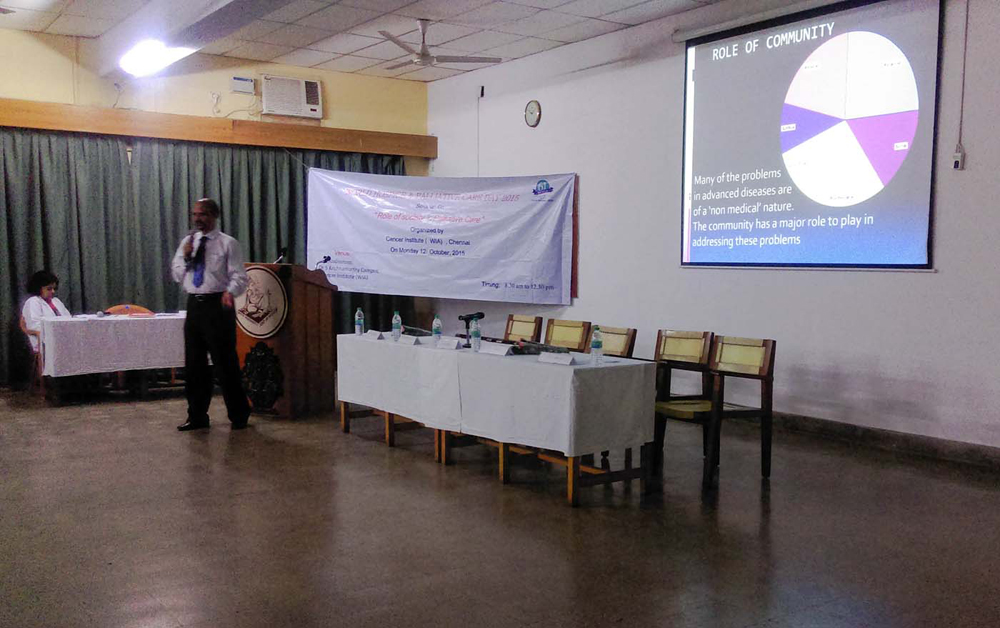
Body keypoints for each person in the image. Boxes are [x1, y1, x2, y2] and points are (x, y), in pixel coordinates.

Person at [171, 198, 251, 431]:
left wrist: (230, 292)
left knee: (225, 363)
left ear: (214, 216)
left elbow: (239, 276)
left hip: (218, 305)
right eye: (195, 214)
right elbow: (176, 274)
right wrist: (187, 257)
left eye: (203, 214)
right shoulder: (188, 242)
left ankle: (239, 415)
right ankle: (197, 416)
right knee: (194, 364)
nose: (198, 219)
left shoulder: (228, 243)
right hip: (195, 305)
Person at [21, 270, 72, 353]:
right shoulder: (33, 302)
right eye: (49, 289)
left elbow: (69, 319)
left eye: (54, 288)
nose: (53, 291)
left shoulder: (56, 301)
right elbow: (34, 326)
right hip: (46, 346)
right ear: (38, 288)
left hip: (64, 341)